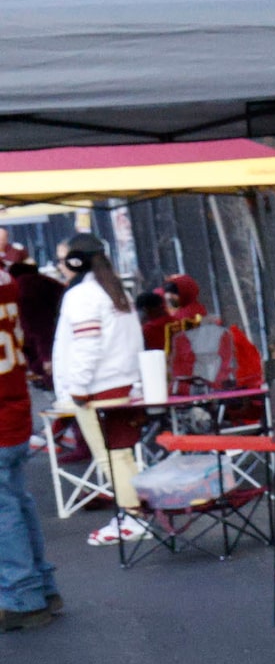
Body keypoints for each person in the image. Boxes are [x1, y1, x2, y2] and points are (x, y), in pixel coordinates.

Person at [52, 232, 149, 547]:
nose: (60, 265)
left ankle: (132, 516)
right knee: (123, 454)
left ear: (76, 260)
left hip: (95, 390)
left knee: (111, 457)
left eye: (63, 258)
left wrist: (77, 387)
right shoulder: (114, 291)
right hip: (123, 385)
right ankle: (136, 513)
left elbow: (86, 347)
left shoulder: (81, 296)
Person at [0, 256, 62, 628]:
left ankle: (23, 597)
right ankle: (42, 586)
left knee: (6, 511)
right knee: (18, 503)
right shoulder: (6, 278)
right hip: (15, 407)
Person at [10, 245, 64, 394]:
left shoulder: (25, 288)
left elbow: (39, 327)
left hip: (55, 355)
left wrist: (46, 358)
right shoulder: (41, 282)